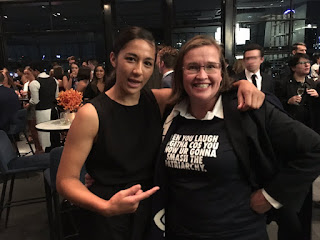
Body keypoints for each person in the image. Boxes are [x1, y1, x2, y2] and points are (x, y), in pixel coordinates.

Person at [56, 26, 264, 240]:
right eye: (130, 59)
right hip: (109, 215)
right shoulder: (91, 114)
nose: (138, 70)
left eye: (147, 63)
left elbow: (201, 86)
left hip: (154, 211)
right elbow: (65, 181)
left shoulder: (156, 100)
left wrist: (242, 85)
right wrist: (106, 206)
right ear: (113, 59)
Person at [148, 35, 320, 240]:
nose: (201, 75)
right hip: (180, 231)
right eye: (192, 67)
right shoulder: (172, 112)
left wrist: (270, 196)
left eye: (211, 66)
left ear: (222, 72)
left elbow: (314, 147)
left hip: (238, 231)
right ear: (180, 74)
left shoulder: (248, 109)